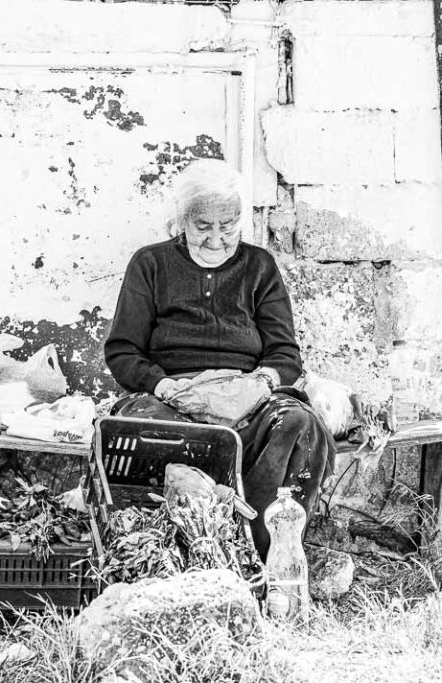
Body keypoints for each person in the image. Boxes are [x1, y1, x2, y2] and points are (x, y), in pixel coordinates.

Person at [103, 158, 334, 558]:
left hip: (248, 394)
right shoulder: (150, 264)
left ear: (240, 219)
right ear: (181, 221)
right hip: (172, 396)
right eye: (202, 226)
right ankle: (171, 553)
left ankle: (263, 555)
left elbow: (284, 354)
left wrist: (258, 385)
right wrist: (163, 384)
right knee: (143, 428)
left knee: (298, 422)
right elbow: (122, 351)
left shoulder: (259, 267)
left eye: (227, 225)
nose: (216, 239)